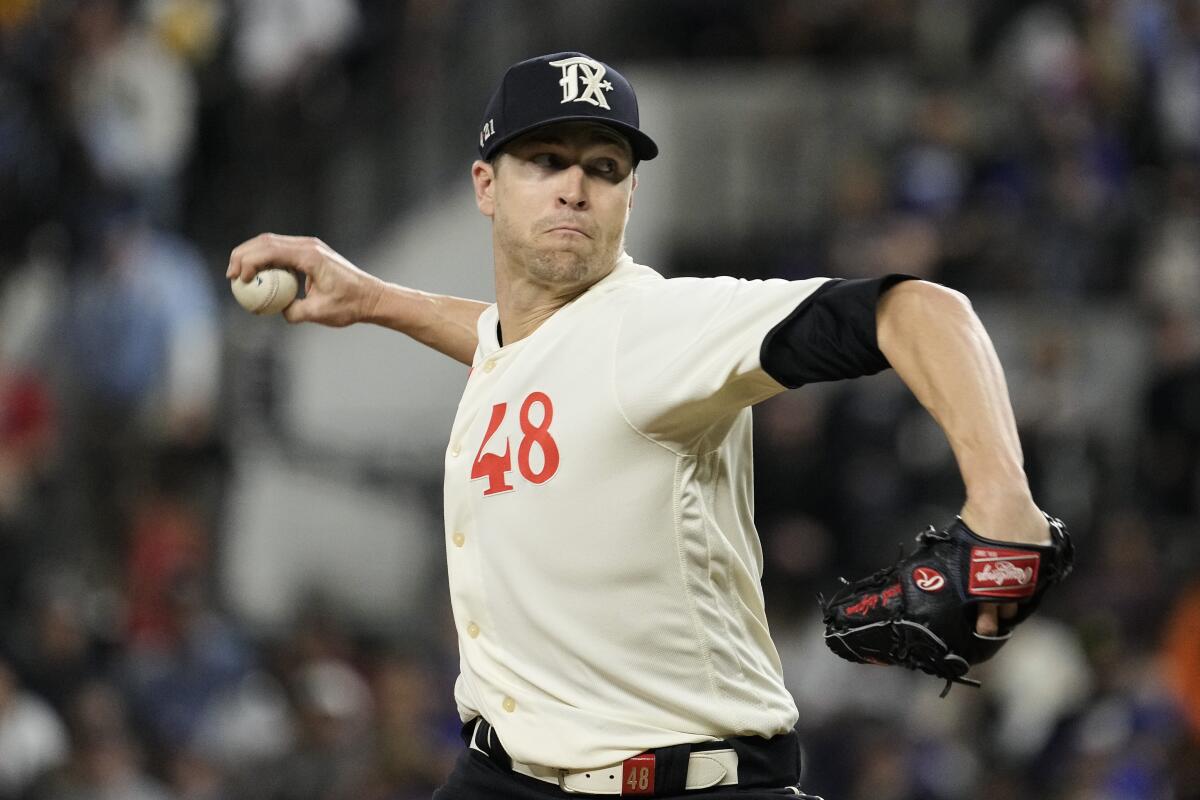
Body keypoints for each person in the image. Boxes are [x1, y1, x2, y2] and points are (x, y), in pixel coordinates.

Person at [227, 52, 1054, 800]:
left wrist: (1004, 504)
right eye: (545, 159)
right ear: (486, 185)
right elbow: (518, 344)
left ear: (630, 193)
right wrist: (375, 298)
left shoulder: (661, 325)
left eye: (604, 166)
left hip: (683, 781)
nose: (574, 186)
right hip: (503, 775)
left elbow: (923, 310)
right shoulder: (530, 343)